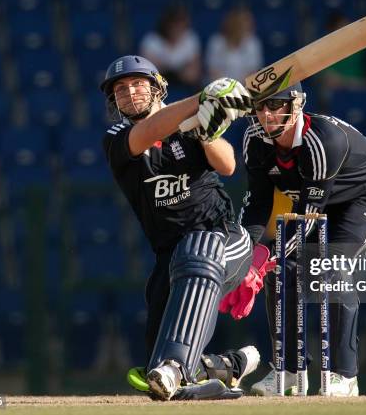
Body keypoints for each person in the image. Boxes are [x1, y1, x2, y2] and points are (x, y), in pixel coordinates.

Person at [100, 55, 260, 400]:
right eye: (121, 89)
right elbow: (150, 131)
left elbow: (228, 164)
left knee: (197, 252)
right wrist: (202, 100)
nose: (130, 93)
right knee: (156, 373)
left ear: (158, 86)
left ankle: (179, 367)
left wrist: (207, 131)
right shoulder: (116, 137)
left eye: (138, 84)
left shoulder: (190, 125)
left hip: (221, 237)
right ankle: (227, 366)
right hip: (171, 256)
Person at [239, 83, 366, 396]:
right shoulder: (254, 140)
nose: (267, 115)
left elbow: (306, 218)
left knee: (332, 269)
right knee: (279, 273)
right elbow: (258, 204)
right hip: (313, 204)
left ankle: (345, 377)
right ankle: (288, 372)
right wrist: (246, 256)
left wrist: (262, 261)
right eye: (260, 107)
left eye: (276, 105)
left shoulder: (322, 141)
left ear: (296, 105)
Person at [139, 2, 202, 91]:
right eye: (175, 23)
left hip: (185, 89)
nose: (178, 27)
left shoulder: (191, 38)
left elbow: (193, 75)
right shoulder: (151, 41)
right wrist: (180, 71)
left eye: (182, 23)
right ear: (167, 23)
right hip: (157, 89)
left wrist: (168, 72)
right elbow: (150, 73)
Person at [205, 6, 263, 82]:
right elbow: (213, 70)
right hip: (219, 87)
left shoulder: (253, 42)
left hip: (244, 87)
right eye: (244, 22)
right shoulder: (216, 41)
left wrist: (238, 88)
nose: (250, 25)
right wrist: (226, 88)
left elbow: (253, 71)